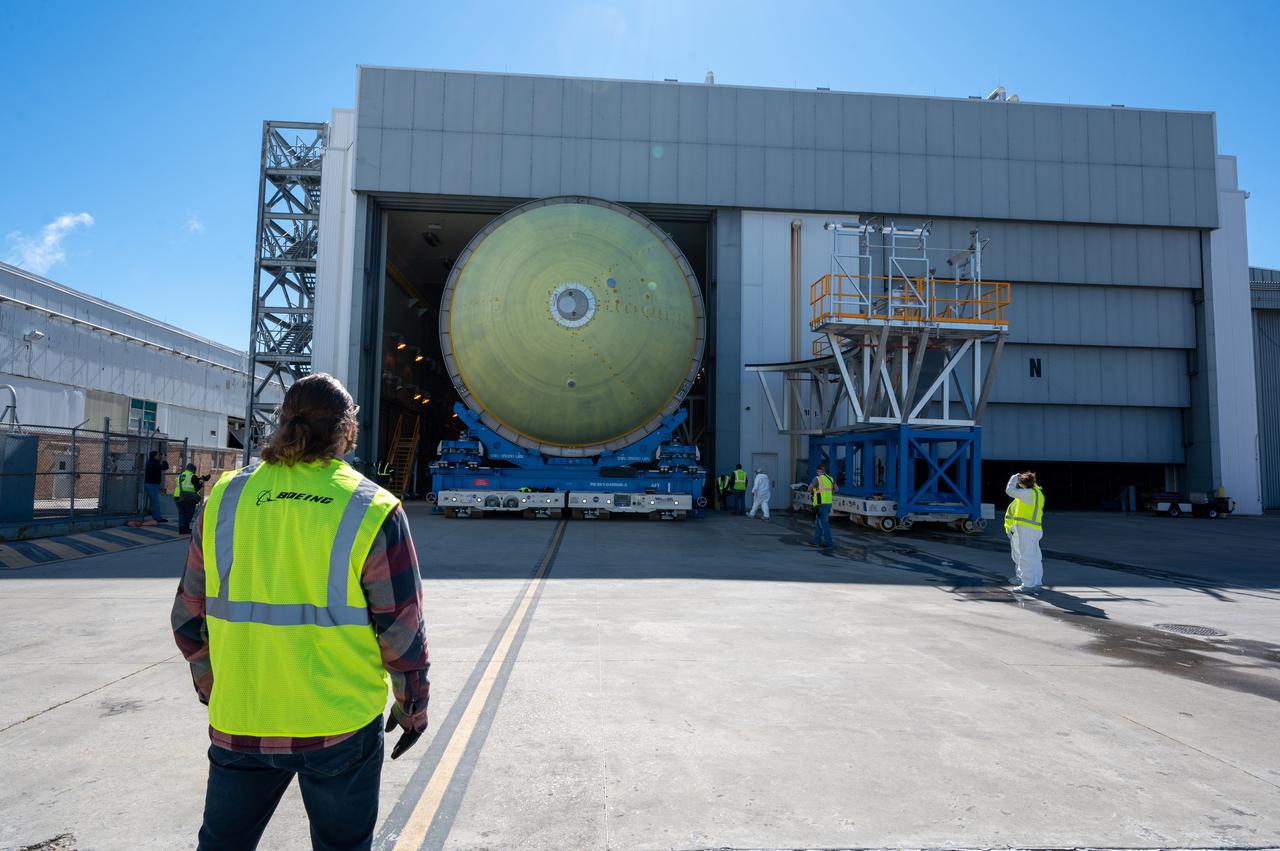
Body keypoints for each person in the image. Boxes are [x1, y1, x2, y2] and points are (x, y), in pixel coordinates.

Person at [171, 373, 430, 850]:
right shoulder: (372, 508)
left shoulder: (223, 497)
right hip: (338, 725)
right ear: (346, 431)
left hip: (241, 717)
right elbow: (401, 634)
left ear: (281, 423)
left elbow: (189, 619)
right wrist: (411, 707)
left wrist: (214, 686)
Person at [1004, 471, 1045, 592]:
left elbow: (1009, 491)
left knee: (1025, 556)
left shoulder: (1027, 493)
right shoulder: (1038, 493)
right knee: (1035, 556)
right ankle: (1037, 581)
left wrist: (1013, 478)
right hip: (1036, 528)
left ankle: (1027, 584)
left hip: (1026, 529)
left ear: (1023, 484)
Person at [806, 465, 834, 549]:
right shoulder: (830, 478)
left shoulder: (817, 479)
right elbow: (836, 489)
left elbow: (809, 489)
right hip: (828, 503)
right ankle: (816, 541)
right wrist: (827, 494)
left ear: (820, 471)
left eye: (817, 471)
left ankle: (828, 543)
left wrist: (815, 492)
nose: (817, 472)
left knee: (824, 523)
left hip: (821, 504)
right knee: (819, 523)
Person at [173, 462, 199, 534]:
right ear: (193, 470)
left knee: (181, 513)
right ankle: (185, 528)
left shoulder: (180, 476)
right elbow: (197, 488)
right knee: (189, 513)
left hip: (177, 496)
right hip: (188, 498)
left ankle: (182, 528)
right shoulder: (192, 476)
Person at [144, 450, 170, 522]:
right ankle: (157, 518)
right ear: (154, 456)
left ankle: (155, 516)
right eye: (158, 455)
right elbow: (165, 467)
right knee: (155, 502)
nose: (160, 456)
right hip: (152, 484)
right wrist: (164, 460)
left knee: (154, 501)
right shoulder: (154, 463)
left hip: (151, 484)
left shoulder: (151, 462)